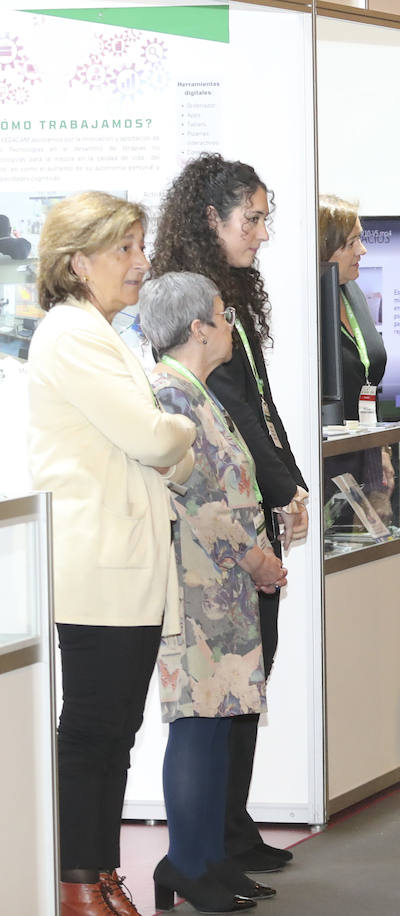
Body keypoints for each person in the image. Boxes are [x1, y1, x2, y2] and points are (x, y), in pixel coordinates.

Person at [28, 191, 196, 916]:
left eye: (139, 245)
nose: (141, 262)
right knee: (96, 731)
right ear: (78, 261)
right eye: (125, 249)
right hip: (97, 563)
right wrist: (176, 434)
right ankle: (77, 881)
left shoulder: (101, 331)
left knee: (114, 731)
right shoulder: (71, 334)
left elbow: (163, 450)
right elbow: (159, 441)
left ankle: (97, 874)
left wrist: (168, 441)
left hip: (122, 562)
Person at [151, 153, 309, 875]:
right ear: (209, 218)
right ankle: (209, 848)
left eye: (265, 215)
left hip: (251, 510)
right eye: (253, 217)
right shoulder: (190, 309)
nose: (262, 231)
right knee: (221, 699)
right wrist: (283, 490)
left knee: (249, 683)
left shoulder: (231, 297)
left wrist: (294, 483)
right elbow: (236, 415)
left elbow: (263, 410)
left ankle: (229, 834)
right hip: (218, 539)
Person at [140, 272, 285, 913]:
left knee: (221, 721)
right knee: (198, 725)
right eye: (224, 316)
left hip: (221, 587)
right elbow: (196, 498)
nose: (232, 325)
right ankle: (187, 863)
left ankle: (208, 859)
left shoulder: (196, 392)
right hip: (198, 589)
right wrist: (253, 555)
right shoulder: (169, 394)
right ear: (199, 326)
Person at [319, 194, 386, 418]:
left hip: (366, 440)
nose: (362, 250)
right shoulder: (307, 310)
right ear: (323, 248)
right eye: (351, 243)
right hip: (329, 448)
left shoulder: (352, 291)